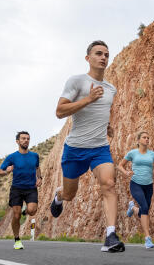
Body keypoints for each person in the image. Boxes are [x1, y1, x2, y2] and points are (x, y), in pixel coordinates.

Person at [50, 40, 124, 253]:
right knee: (70, 195)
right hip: (75, 149)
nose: (103, 57)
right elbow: (60, 111)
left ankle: (110, 235)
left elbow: (104, 111)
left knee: (109, 183)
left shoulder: (111, 89)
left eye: (106, 55)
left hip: (99, 148)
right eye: (98, 53)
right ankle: (58, 195)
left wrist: (108, 126)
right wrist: (88, 99)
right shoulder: (77, 82)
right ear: (88, 58)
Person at [117, 131, 154, 249]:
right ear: (138, 140)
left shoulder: (153, 155)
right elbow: (120, 165)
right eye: (144, 137)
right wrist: (126, 172)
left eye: (148, 138)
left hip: (149, 185)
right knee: (145, 208)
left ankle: (132, 208)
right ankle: (147, 238)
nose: (147, 139)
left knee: (144, 210)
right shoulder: (132, 153)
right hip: (136, 184)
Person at [0, 131, 41, 250]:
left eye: (28, 138)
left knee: (32, 211)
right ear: (18, 141)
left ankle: (25, 211)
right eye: (23, 138)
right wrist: (7, 171)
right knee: (16, 215)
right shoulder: (12, 157)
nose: (26, 140)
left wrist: (39, 178)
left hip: (31, 188)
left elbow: (37, 167)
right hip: (16, 189)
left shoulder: (34, 156)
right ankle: (17, 240)